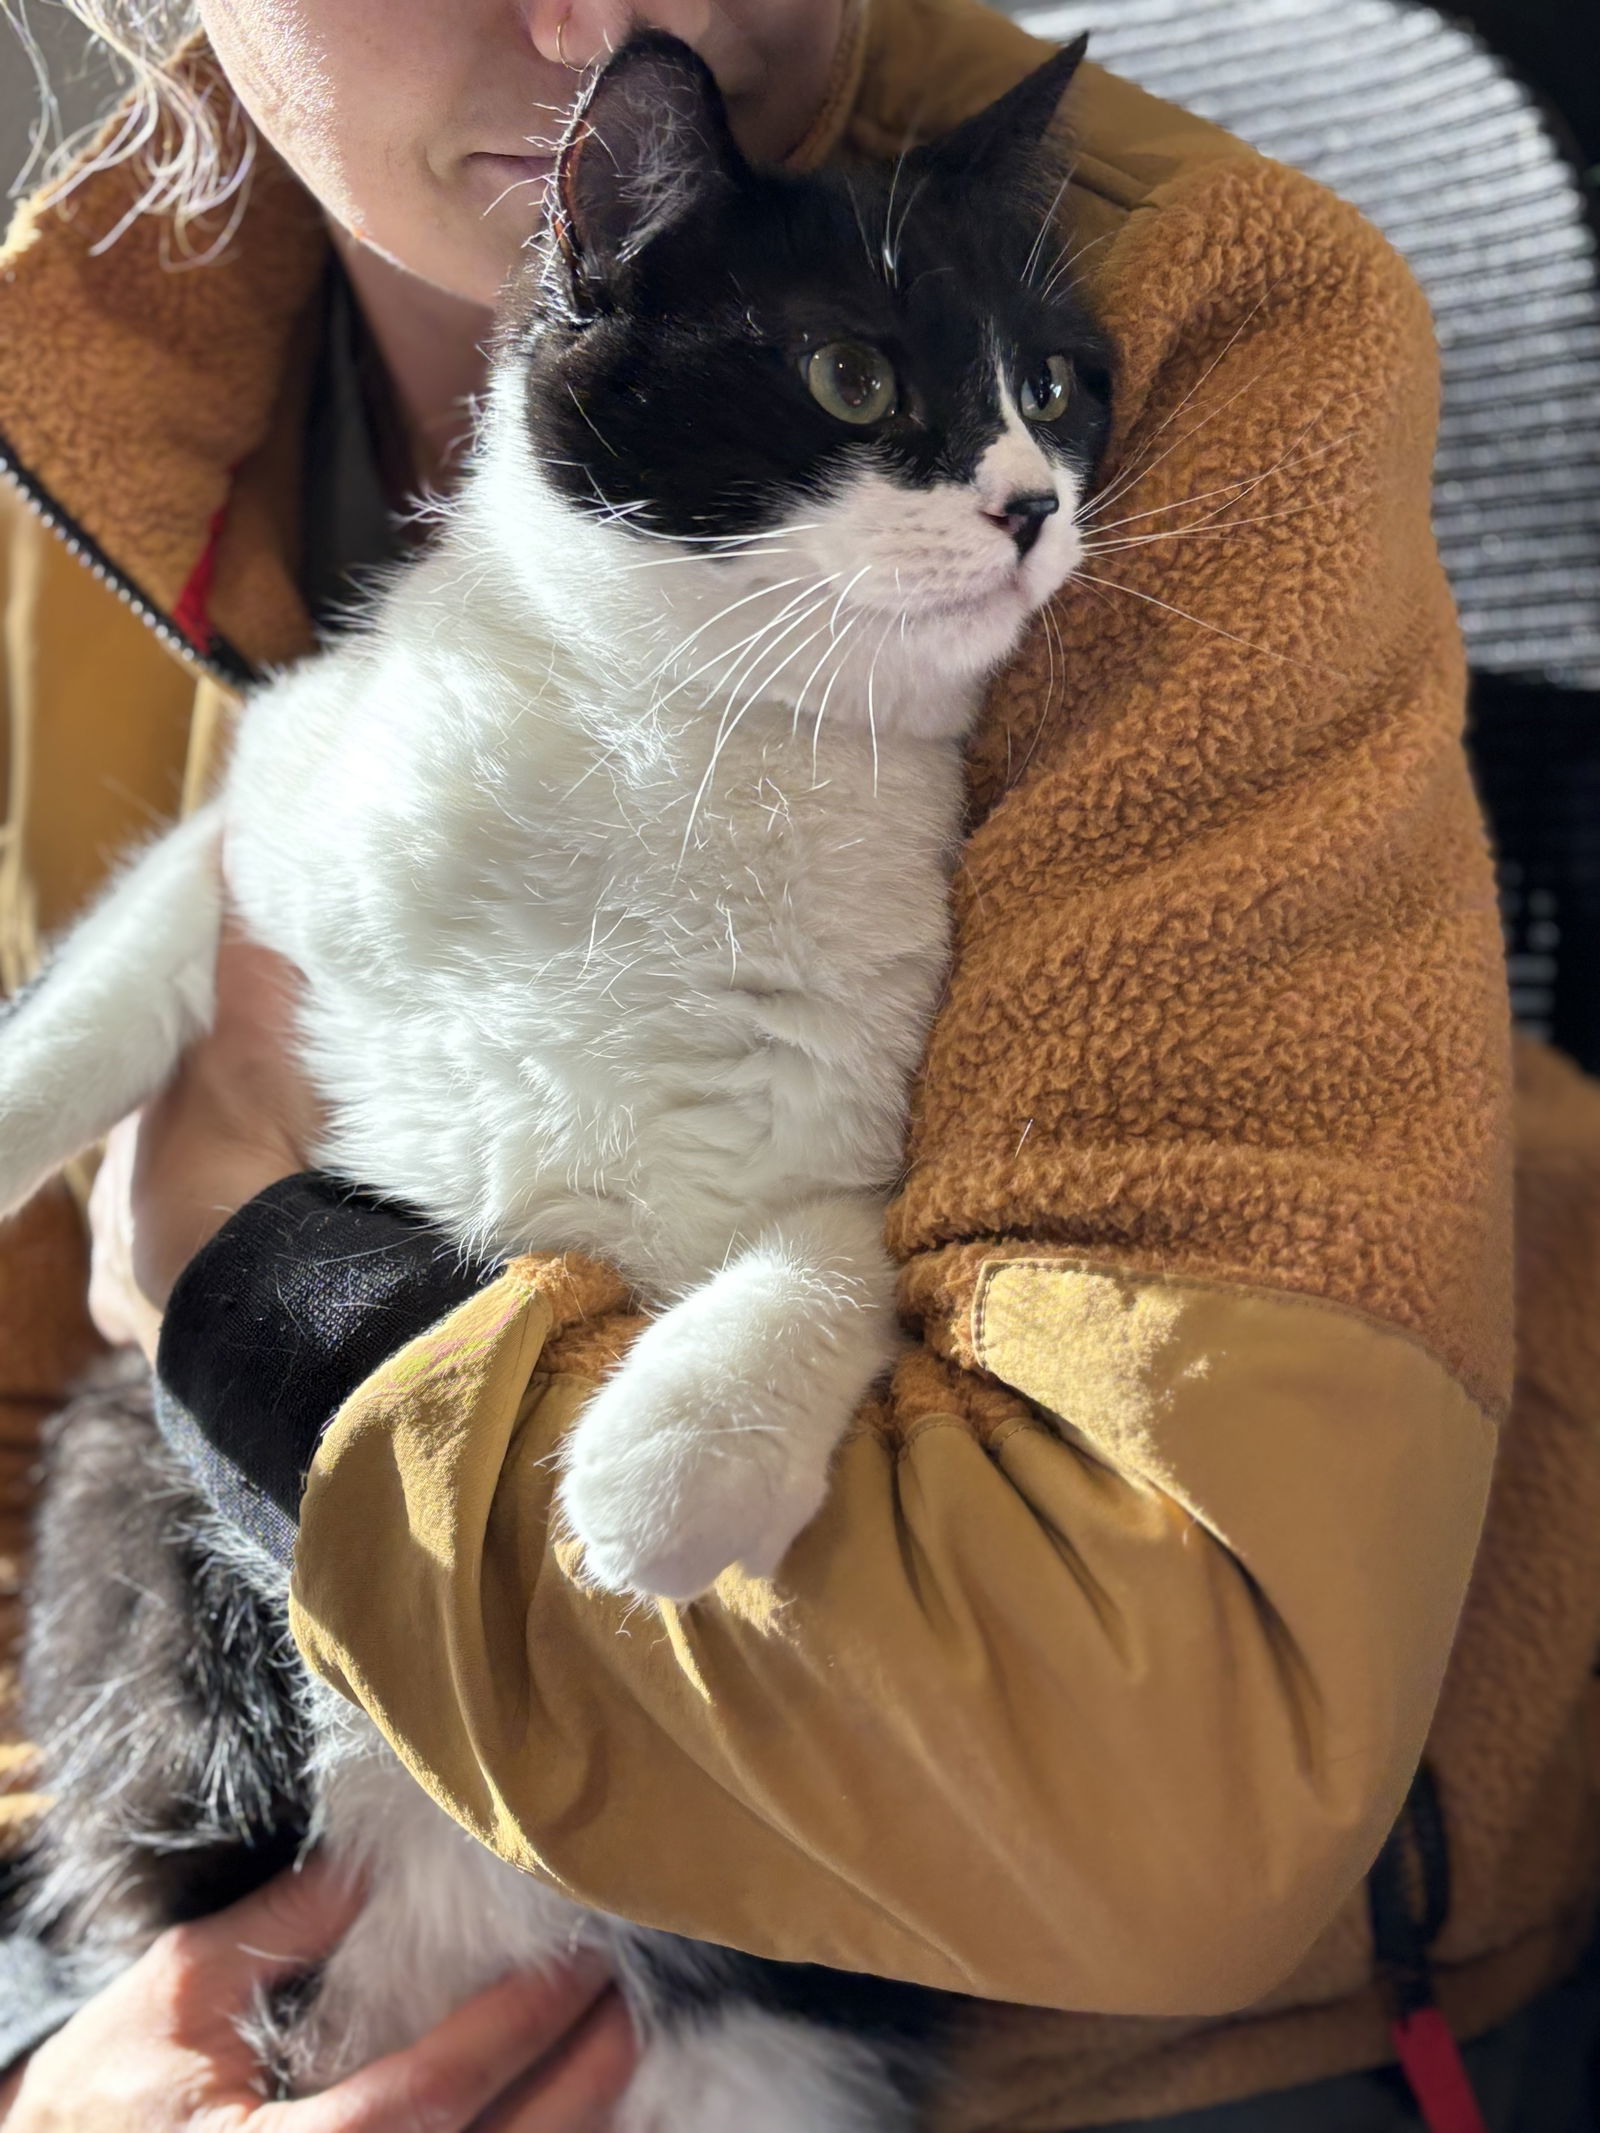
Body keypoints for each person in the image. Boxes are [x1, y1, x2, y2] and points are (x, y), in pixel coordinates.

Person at [2, 2, 1599, 2129]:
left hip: (1097, 2049)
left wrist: (246, 1278)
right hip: (234, 1914)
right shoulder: (82, 371)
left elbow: (1166, 1790)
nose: (591, 19)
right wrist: (53, 2030)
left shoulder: (1197, 313)